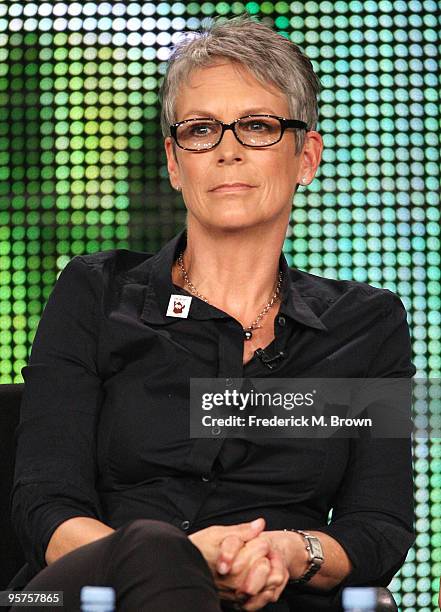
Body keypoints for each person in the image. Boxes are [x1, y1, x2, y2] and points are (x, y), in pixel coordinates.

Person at [10, 14, 415, 612]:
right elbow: (44, 507)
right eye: (201, 130)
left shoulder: (366, 324)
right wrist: (179, 563)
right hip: (100, 588)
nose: (227, 151)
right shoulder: (94, 293)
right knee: (153, 545)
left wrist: (286, 553)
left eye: (257, 126)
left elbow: (378, 528)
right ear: (176, 163)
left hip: (277, 595)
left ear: (306, 157)